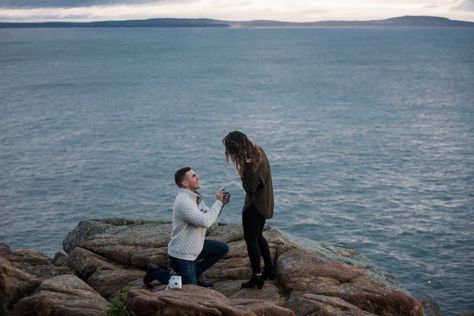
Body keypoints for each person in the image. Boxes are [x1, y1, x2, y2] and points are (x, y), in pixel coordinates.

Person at [222, 131, 275, 289]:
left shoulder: (249, 165)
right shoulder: (259, 150)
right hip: (265, 202)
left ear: (234, 148)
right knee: (258, 236)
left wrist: (241, 175)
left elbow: (250, 188)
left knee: (251, 241)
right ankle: (270, 270)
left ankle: (257, 276)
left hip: (254, 206)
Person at [166, 166, 229, 287]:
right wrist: (218, 202)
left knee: (222, 249)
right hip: (182, 255)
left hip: (196, 246)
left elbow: (209, 216)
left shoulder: (194, 197)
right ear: (185, 183)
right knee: (189, 288)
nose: (197, 177)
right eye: (193, 176)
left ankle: (194, 274)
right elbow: (206, 222)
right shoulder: (184, 202)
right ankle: (157, 273)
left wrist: (221, 204)